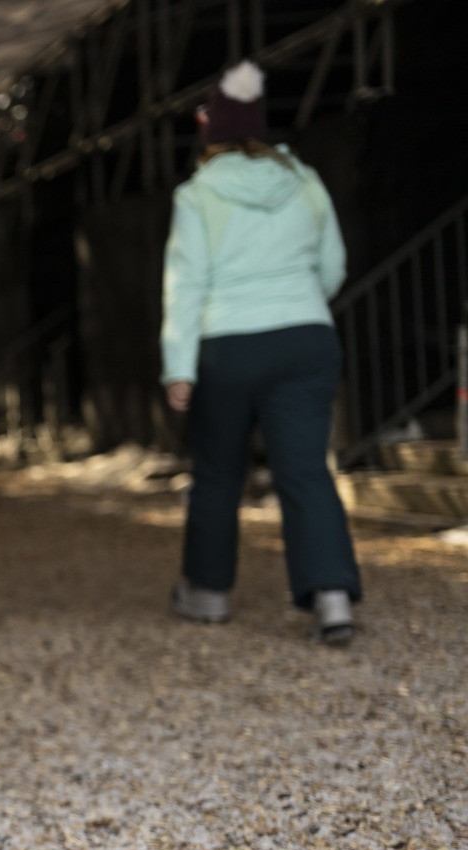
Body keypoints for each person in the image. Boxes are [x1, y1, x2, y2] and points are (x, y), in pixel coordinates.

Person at [161, 60, 359, 644]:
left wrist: (178, 365)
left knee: (220, 471)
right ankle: (331, 598)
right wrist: (298, 306)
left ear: (210, 135)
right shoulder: (304, 181)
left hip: (227, 345)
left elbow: (186, 283)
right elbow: (333, 266)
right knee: (304, 469)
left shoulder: (197, 194)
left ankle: (209, 594)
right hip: (305, 338)